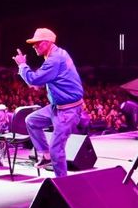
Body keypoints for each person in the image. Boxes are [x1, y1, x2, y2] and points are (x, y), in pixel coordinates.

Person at [13, 28, 85, 178]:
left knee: (56, 150)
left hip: (67, 110)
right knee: (31, 121)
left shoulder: (54, 60)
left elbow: (34, 80)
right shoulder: (58, 53)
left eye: (37, 43)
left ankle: (63, 184)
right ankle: (45, 156)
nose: (34, 47)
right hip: (56, 107)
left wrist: (22, 65)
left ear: (46, 43)